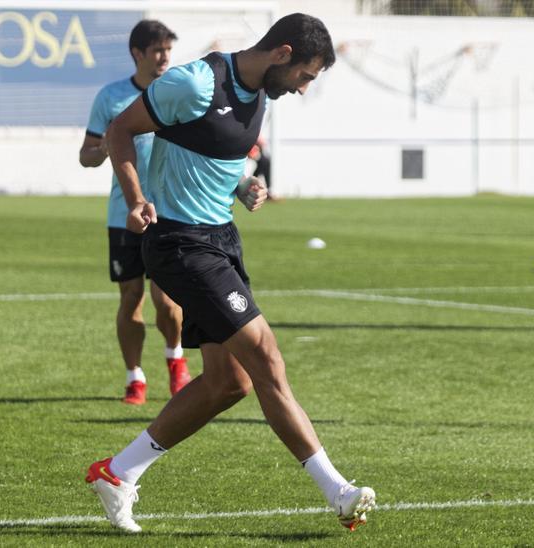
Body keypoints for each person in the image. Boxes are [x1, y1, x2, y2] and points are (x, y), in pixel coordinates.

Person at [86, 13, 375, 533]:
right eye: (306, 77)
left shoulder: (261, 93)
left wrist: (245, 184)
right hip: (178, 242)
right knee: (265, 355)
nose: (305, 90)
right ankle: (339, 490)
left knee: (229, 382)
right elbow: (120, 130)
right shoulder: (194, 82)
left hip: (221, 241)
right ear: (282, 54)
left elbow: (219, 150)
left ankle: (118, 472)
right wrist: (134, 199)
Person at [78, 20, 190, 405]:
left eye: (168, 51)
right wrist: (107, 147)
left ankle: (176, 360)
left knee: (169, 300)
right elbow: (86, 155)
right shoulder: (111, 97)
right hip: (122, 214)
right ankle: (135, 378)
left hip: (168, 212)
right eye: (157, 50)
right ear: (137, 53)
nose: (164, 58)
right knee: (130, 298)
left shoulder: (175, 94)